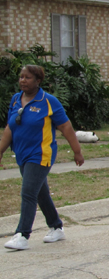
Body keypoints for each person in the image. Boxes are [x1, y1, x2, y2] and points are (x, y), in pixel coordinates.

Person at [1, 65, 84, 250]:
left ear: (38, 81)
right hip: (22, 154)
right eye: (21, 77)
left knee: (28, 192)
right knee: (40, 193)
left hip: (41, 154)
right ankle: (56, 227)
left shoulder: (48, 101)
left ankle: (22, 235)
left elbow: (66, 127)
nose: (23, 80)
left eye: (27, 77)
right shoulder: (16, 99)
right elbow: (10, 128)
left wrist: (77, 151)